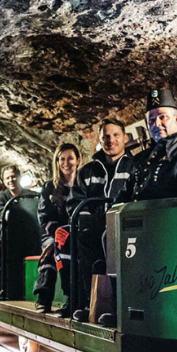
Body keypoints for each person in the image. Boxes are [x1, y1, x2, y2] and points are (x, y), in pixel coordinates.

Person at [67, 119, 137, 322]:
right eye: (106, 136)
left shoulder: (135, 168)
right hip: (95, 227)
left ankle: (117, 309)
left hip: (125, 228)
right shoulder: (87, 171)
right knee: (82, 242)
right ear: (100, 139)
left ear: (125, 138)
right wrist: (92, 222)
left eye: (116, 135)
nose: (111, 140)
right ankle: (89, 304)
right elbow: (76, 203)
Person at [121, 89, 177, 202]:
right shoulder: (141, 158)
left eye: (162, 117)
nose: (156, 123)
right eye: (151, 120)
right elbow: (123, 198)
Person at [35, 144, 79, 315]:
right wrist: (56, 230)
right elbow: (43, 216)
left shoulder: (82, 184)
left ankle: (75, 298)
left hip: (76, 232)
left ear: (78, 160)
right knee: (52, 246)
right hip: (54, 233)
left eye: (70, 158)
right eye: (62, 159)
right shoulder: (49, 187)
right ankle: (44, 297)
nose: (66, 163)